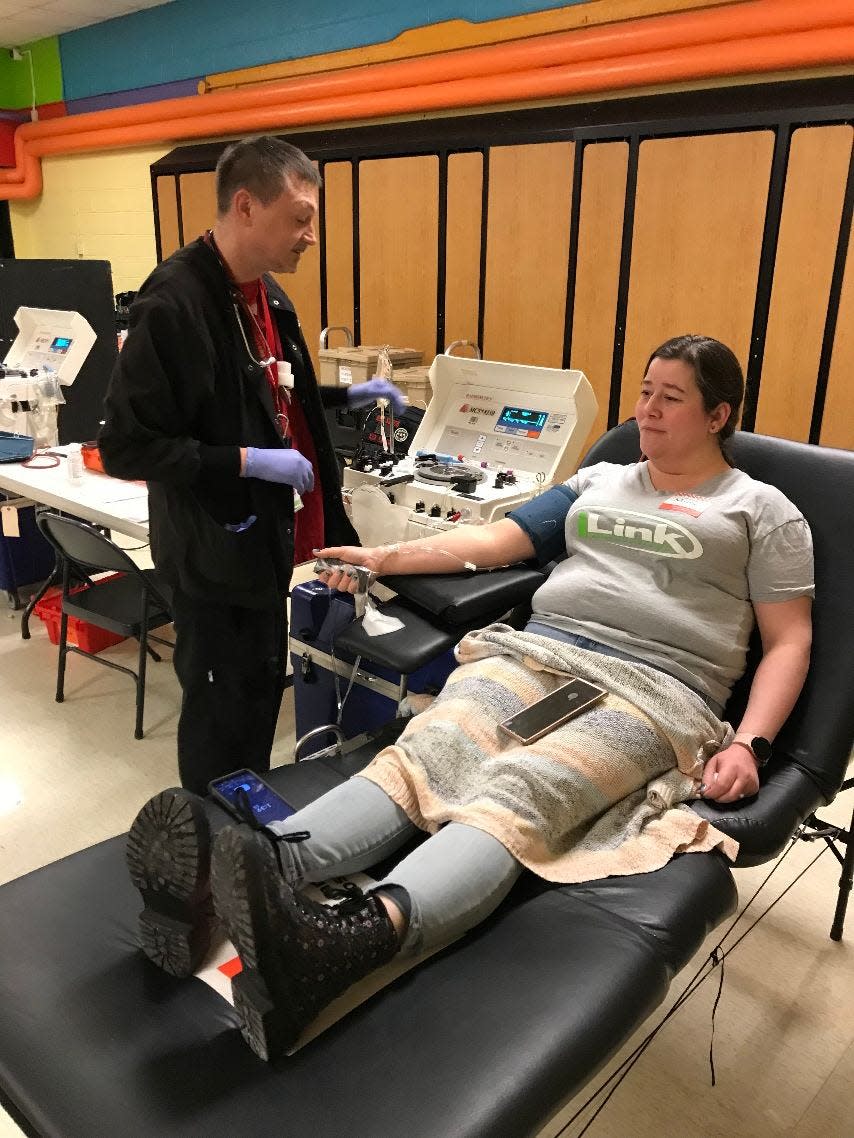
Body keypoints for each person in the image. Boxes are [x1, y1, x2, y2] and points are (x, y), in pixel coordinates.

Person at [125, 334, 813, 1063]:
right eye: (644, 390)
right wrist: (382, 556)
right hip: (541, 650)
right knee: (432, 747)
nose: (646, 409)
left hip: (657, 690)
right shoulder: (600, 480)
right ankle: (250, 867)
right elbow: (496, 541)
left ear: (719, 415)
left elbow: (789, 642)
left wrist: (748, 743)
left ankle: (347, 941)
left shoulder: (761, 511)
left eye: (670, 398)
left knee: (522, 790)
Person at [99, 135, 404, 796]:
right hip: (214, 562)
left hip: (266, 552)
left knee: (259, 700)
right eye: (299, 218)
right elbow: (127, 445)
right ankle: (210, 855)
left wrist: (351, 396)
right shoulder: (174, 306)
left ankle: (247, 830)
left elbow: (276, 394)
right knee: (220, 723)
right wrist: (245, 462)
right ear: (245, 206)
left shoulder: (266, 297)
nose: (310, 236)